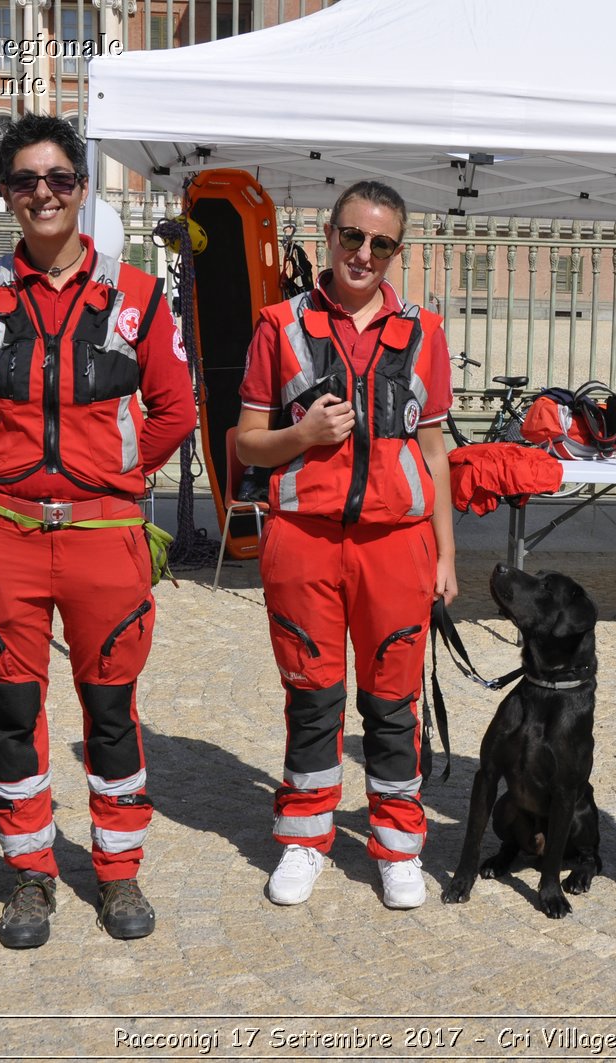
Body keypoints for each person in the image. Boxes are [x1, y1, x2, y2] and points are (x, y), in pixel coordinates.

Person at [0, 113, 196, 949]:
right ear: (7, 193)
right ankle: (31, 875)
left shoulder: (137, 296)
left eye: (58, 179)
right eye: (24, 180)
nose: (42, 193)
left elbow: (175, 409)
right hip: (2, 535)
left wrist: (112, 471)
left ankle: (117, 873)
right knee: (13, 712)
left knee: (110, 712)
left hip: (101, 537)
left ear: (81, 189)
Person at [234, 179, 457, 911]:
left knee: (394, 704)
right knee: (312, 695)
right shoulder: (280, 323)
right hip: (305, 538)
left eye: (380, 242)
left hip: (396, 544)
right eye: (351, 237)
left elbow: (434, 454)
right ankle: (304, 834)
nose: (363, 253)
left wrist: (447, 555)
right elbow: (245, 443)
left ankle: (398, 844)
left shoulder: (424, 331)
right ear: (327, 235)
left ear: (397, 250)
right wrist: (302, 436)